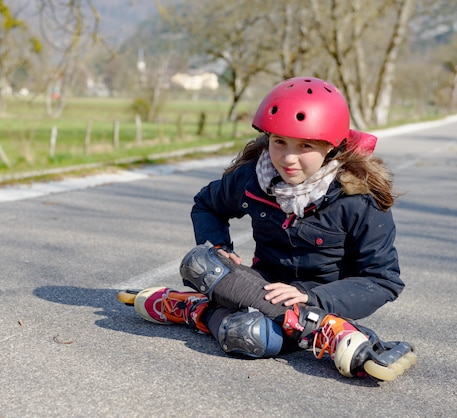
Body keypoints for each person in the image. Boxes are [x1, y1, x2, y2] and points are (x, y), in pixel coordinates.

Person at [118, 77, 416, 380]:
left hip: (319, 297)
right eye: (279, 142)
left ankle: (193, 308)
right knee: (201, 262)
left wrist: (311, 299)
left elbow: (382, 281)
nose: (288, 158)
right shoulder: (253, 178)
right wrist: (220, 247)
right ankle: (324, 331)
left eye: (305, 146)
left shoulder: (358, 200)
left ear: (331, 146)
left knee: (246, 336)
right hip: (259, 284)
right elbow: (207, 205)